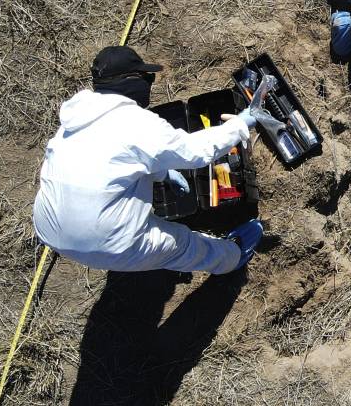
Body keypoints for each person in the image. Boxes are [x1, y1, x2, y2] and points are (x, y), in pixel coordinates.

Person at [33, 46, 263, 275]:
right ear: (132, 80)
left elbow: (115, 161)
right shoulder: (136, 122)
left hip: (50, 232)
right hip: (111, 244)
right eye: (148, 77)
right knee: (182, 245)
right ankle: (233, 257)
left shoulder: (73, 123)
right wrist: (240, 124)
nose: (149, 83)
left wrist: (162, 173)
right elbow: (196, 152)